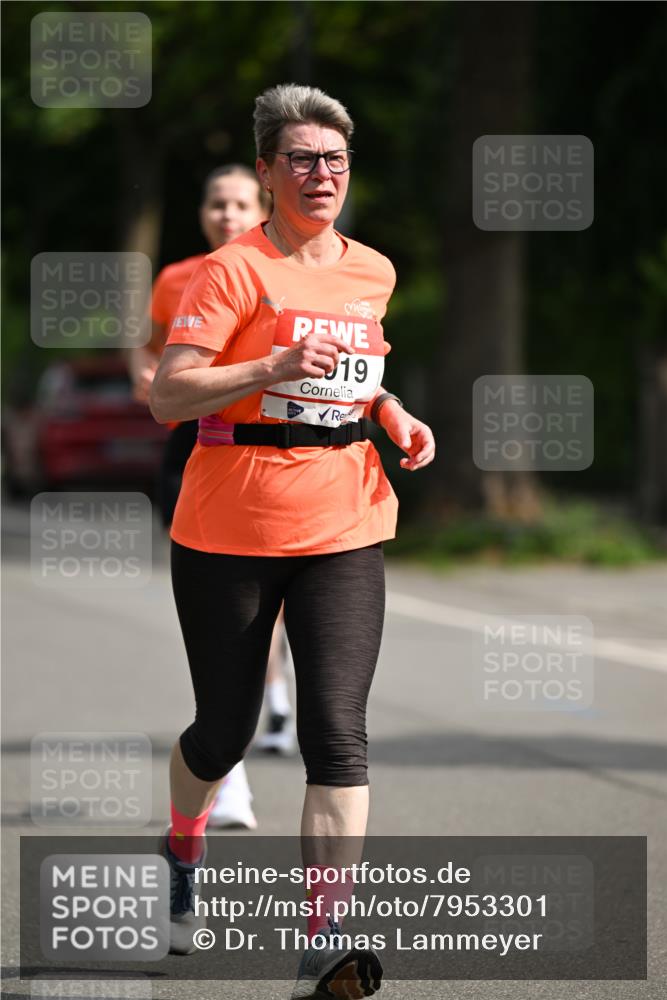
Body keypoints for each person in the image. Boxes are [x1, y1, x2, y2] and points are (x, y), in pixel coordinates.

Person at [150, 84, 435, 998]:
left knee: (337, 733)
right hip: (229, 522)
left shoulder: (371, 269)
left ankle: (325, 933)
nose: (324, 175)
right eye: (305, 160)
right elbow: (168, 396)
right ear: (268, 171)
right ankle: (184, 840)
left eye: (337, 160)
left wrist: (390, 410)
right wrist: (268, 364)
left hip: (346, 515)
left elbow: (357, 371)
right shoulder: (228, 271)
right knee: (224, 731)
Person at [128, 165, 294, 830]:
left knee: (268, 600)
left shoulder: (282, 273)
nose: (227, 215)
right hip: (193, 447)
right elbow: (151, 356)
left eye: (239, 205)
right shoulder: (176, 278)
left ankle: (273, 690)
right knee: (226, 611)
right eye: (216, 204)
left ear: (260, 207)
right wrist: (149, 376)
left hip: (266, 451)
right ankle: (233, 767)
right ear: (202, 212)